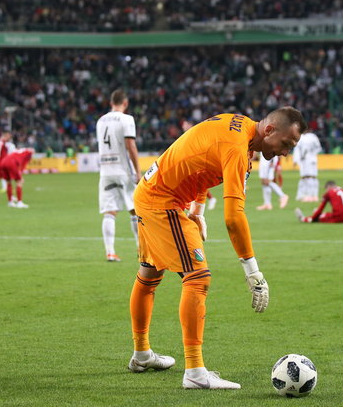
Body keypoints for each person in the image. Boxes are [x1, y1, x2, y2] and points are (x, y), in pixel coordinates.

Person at [127, 107, 306, 390]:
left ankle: (141, 355)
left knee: (149, 275)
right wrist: (253, 272)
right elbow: (234, 217)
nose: (286, 152)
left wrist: (198, 210)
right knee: (197, 278)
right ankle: (195, 372)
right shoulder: (237, 148)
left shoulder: (240, 130)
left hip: (153, 191)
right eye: (286, 144)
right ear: (269, 130)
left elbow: (200, 157)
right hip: (163, 199)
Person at [96, 89, 141, 261]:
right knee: (135, 210)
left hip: (106, 170)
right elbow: (131, 146)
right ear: (125, 103)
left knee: (109, 211)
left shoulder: (100, 121)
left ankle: (110, 252)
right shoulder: (127, 119)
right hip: (123, 170)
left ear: (110, 103)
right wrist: (137, 171)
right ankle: (140, 248)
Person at [293, 129, 322, 202]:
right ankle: (311, 195)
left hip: (307, 160)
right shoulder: (313, 137)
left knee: (309, 177)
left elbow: (297, 150)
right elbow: (318, 148)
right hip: (308, 160)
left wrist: (296, 160)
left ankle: (309, 196)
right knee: (310, 177)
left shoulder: (303, 138)